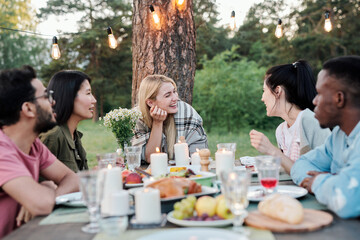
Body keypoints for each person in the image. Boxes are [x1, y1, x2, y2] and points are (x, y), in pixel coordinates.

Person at [0, 66, 79, 238]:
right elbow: (42, 205)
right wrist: (48, 187)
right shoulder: (1, 150)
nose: (53, 102)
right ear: (28, 109)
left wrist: (50, 190)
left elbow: (73, 178)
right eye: (45, 96)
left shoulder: (34, 145)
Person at [291, 56, 360, 218]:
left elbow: (347, 200)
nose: (314, 101)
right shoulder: (338, 135)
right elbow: (301, 165)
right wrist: (333, 182)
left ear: (339, 99)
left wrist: (317, 183)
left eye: (319, 93)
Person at [249, 60, 330, 174]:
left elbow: (327, 171)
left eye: (264, 91)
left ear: (277, 91)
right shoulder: (281, 131)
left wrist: (271, 150)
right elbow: (291, 169)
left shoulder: (310, 120)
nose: (262, 98)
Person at [131, 74, 208, 164]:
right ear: (150, 102)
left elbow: (199, 156)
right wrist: (157, 123)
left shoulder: (187, 113)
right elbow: (150, 158)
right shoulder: (137, 118)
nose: (175, 98)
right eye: (168, 95)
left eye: (174, 92)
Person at [40, 70, 96, 173]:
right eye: (88, 93)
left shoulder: (74, 134)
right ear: (69, 96)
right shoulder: (53, 136)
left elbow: (78, 178)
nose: (93, 100)